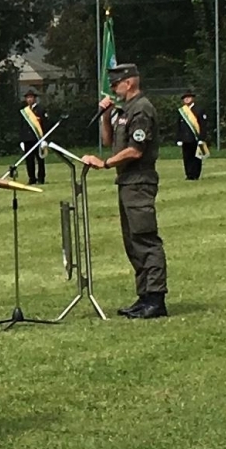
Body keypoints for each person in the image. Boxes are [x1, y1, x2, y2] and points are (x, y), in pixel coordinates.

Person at [82, 63, 168, 319]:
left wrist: (105, 164)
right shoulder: (124, 110)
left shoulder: (141, 109)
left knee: (145, 239)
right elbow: (110, 142)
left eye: (115, 84)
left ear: (129, 82)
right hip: (126, 182)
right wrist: (105, 116)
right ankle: (144, 296)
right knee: (132, 242)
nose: (113, 89)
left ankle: (156, 298)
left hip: (139, 181)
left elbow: (135, 150)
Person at [175, 90, 210, 181]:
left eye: (188, 97)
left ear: (192, 98)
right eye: (185, 98)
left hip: (196, 138)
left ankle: (196, 174)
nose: (187, 99)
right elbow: (178, 126)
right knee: (187, 157)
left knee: (197, 157)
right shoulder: (182, 111)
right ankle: (189, 174)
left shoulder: (199, 110)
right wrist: (179, 138)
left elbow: (203, 125)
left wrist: (202, 138)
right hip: (185, 139)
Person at [18, 90, 49, 184]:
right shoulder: (24, 111)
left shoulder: (41, 110)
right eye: (27, 98)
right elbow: (22, 126)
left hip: (38, 139)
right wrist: (21, 140)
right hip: (27, 139)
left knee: (40, 159)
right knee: (29, 160)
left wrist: (44, 139)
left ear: (35, 99)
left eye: (31, 97)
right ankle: (32, 178)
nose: (29, 99)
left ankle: (41, 178)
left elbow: (45, 125)